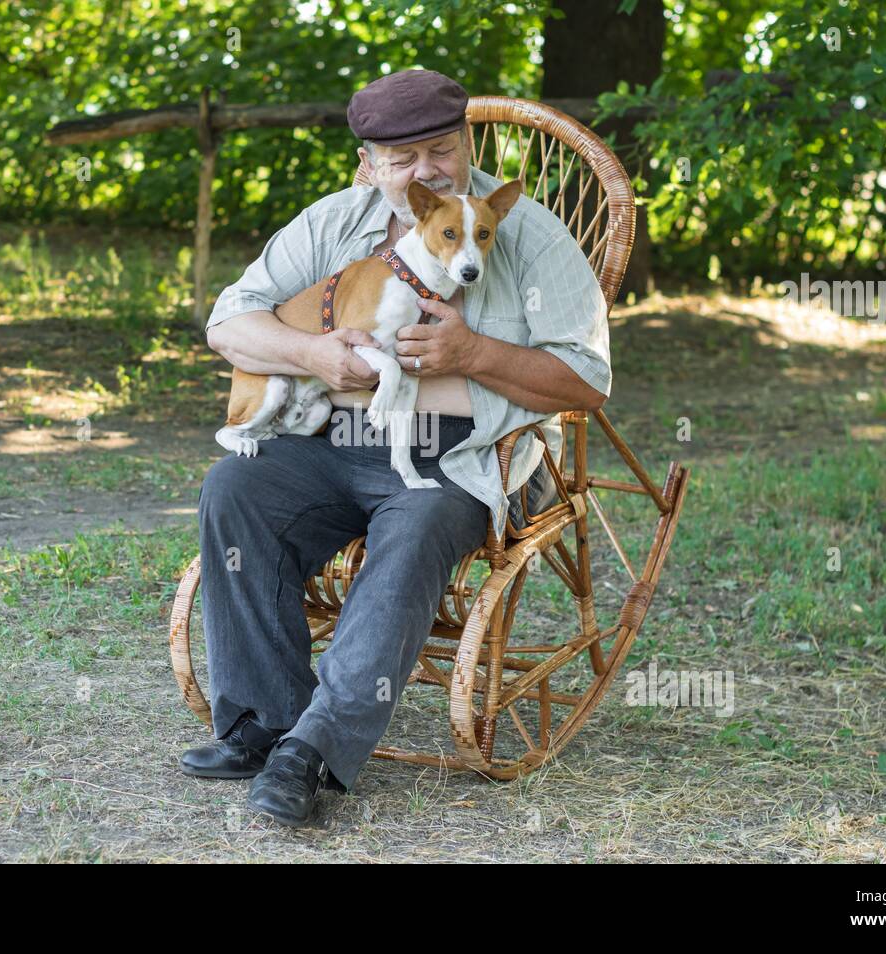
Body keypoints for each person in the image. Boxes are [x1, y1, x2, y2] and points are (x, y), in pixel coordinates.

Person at [184, 68, 611, 827]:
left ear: (467, 143)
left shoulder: (528, 235)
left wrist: (472, 354)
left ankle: (311, 751)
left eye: (439, 149)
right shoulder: (333, 224)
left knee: (412, 525)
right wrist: (312, 355)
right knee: (235, 488)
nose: (423, 171)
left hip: (466, 453)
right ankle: (261, 723)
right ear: (369, 165)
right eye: (400, 158)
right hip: (336, 437)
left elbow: (586, 382)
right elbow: (228, 324)